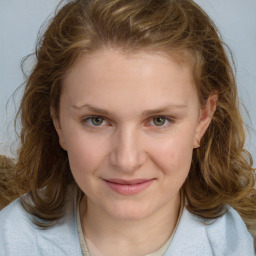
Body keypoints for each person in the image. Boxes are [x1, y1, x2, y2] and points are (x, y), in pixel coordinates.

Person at [0, 0, 255, 255]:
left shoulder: (229, 243)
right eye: (96, 120)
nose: (127, 160)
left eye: (159, 120)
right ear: (58, 121)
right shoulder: (11, 240)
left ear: (203, 119)